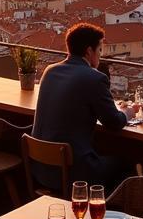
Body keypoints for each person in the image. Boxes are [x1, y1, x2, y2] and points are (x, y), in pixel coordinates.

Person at [32, 22, 134, 188]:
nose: (100, 56)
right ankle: (105, 212)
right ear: (89, 51)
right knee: (127, 165)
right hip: (74, 175)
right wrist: (127, 112)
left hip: (40, 169)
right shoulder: (94, 78)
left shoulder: (50, 71)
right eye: (99, 50)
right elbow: (113, 123)